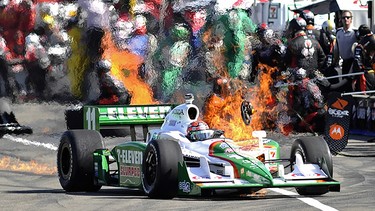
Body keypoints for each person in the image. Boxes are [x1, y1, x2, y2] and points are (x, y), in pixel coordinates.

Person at [333, 10, 358, 92]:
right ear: (341, 19)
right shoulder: (339, 32)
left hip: (354, 63)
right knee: (344, 86)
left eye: (348, 17)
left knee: (353, 87)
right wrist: (334, 62)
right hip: (345, 63)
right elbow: (336, 49)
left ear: (351, 19)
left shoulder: (356, 32)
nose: (346, 19)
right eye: (344, 18)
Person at [351, 24, 375, 91]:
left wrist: (354, 78)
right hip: (372, 71)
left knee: (366, 99)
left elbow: (357, 62)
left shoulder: (360, 45)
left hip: (367, 75)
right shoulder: (373, 38)